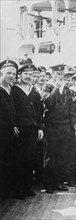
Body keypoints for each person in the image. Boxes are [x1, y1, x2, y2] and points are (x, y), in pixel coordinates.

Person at [42, 64, 76, 193]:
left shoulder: (67, 90)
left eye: (62, 75)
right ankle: (48, 184)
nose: (60, 77)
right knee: (50, 156)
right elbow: (48, 103)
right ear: (52, 74)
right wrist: (56, 89)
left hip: (65, 127)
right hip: (52, 127)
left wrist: (74, 123)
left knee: (62, 156)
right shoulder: (47, 87)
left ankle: (58, 182)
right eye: (57, 74)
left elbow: (71, 108)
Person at [12, 64, 44, 198]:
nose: (28, 76)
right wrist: (13, 124)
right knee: (19, 160)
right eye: (25, 74)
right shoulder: (14, 90)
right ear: (20, 75)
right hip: (19, 130)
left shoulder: (35, 92)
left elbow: (39, 111)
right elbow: (12, 109)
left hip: (32, 129)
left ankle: (26, 187)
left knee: (30, 159)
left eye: (31, 74)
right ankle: (18, 189)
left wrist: (40, 128)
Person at [0, 59, 18, 200]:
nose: (11, 76)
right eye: (8, 73)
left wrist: (13, 125)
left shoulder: (10, 89)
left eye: (14, 73)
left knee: (7, 161)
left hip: (8, 132)